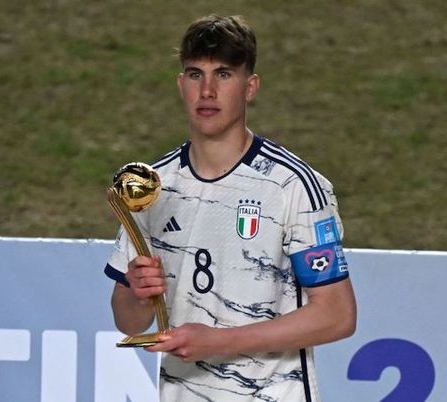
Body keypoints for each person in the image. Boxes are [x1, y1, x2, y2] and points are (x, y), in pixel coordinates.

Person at [104, 14, 357, 402]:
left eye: (223, 75)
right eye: (194, 74)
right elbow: (128, 320)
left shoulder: (292, 185)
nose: (207, 91)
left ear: (250, 87)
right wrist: (136, 295)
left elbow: (337, 315)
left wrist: (219, 342)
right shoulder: (151, 186)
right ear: (180, 84)